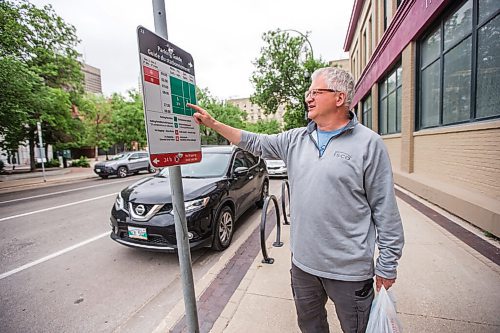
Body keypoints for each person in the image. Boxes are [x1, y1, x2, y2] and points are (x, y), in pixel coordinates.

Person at [188, 66, 404, 333]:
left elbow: (385, 209)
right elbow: (254, 142)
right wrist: (213, 123)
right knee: (310, 327)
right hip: (303, 267)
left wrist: (387, 263)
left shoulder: (369, 144)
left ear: (340, 97)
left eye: (316, 92)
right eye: (308, 92)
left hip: (349, 272)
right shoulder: (295, 139)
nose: (308, 98)